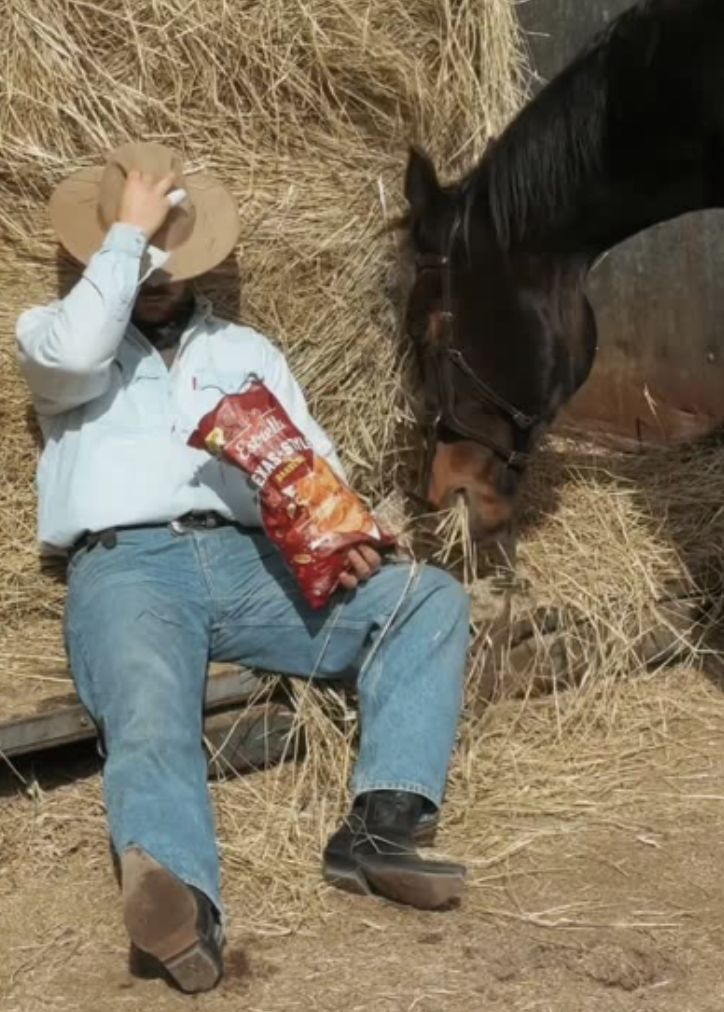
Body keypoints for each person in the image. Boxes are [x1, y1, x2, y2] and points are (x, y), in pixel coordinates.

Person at [16, 142, 471, 994]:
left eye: (168, 257)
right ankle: (181, 904)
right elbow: (76, 355)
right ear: (107, 248)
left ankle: (381, 830)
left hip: (251, 561)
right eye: (141, 258)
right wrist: (130, 237)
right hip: (128, 570)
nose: (156, 275)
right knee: (149, 704)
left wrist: (346, 531)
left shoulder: (247, 349)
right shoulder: (54, 335)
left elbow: (308, 462)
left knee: (426, 599)